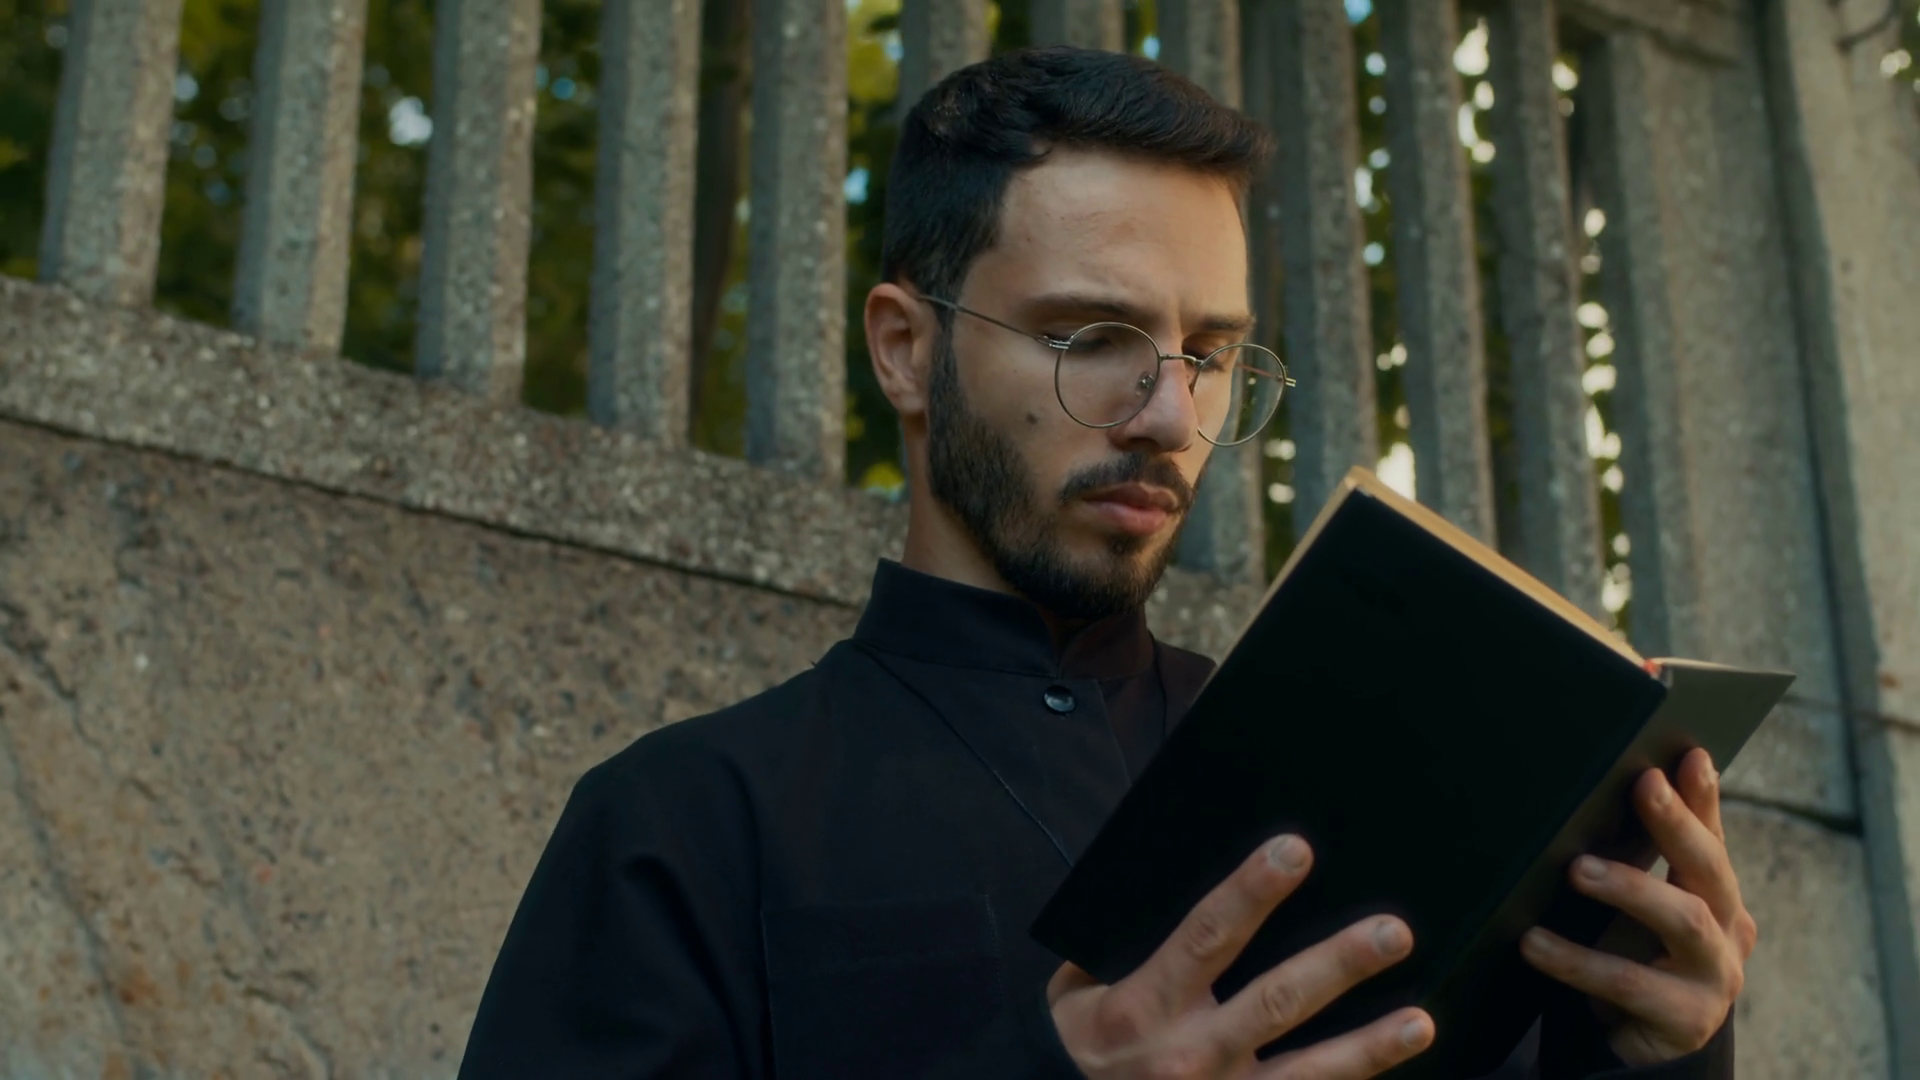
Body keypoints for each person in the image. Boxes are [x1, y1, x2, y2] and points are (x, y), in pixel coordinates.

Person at [456, 47, 1752, 1079]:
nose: (1171, 418)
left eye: (1211, 355)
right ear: (906, 349)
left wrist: (1654, 1050)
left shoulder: (1369, 780)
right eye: (1091, 338)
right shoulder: (683, 820)